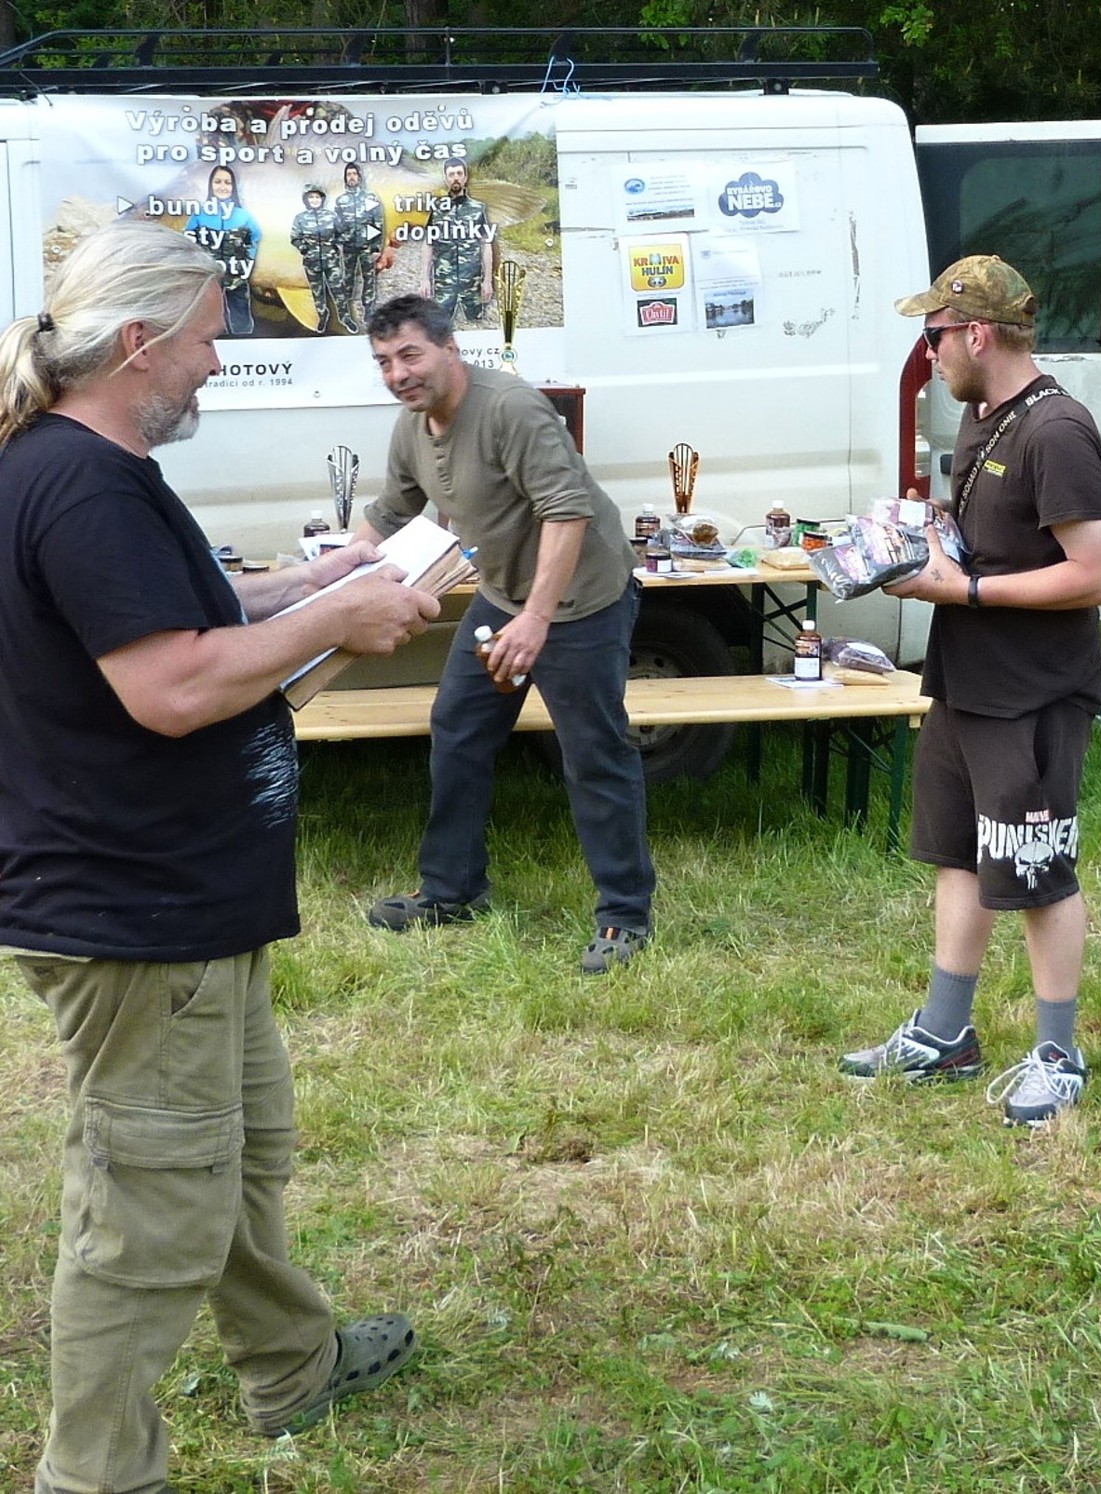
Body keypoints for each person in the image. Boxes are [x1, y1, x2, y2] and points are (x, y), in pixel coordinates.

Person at [0, 220, 440, 1493]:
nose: (216, 362)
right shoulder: (81, 483)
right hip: (135, 911)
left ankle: (293, 1364)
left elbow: (174, 615)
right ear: (138, 344)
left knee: (233, 1154)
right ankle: (94, 1475)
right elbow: (172, 686)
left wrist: (315, 584)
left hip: (183, 895)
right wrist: (341, 617)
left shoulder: (89, 464)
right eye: (205, 340)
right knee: (148, 1212)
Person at [838, 255, 1101, 1126]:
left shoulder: (1055, 430)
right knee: (957, 856)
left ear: (975, 333)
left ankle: (1057, 1054)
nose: (925, 355)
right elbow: (992, 543)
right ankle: (944, 1034)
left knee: (1036, 869)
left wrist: (961, 590)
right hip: (965, 681)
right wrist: (919, 539)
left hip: (1033, 694)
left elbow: (1098, 575)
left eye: (932, 336)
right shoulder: (980, 418)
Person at [359, 294, 656, 974]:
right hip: (502, 598)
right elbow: (391, 511)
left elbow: (566, 510)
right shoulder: (413, 425)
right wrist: (335, 577)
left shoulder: (511, 409)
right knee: (458, 728)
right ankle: (451, 891)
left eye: (410, 355)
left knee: (593, 752)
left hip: (579, 601)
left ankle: (624, 914)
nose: (398, 374)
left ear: (449, 349)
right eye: (384, 362)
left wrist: (537, 620)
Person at [184, 163, 261, 336]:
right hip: (209, 278)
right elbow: (188, 238)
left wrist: (247, 262)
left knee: (240, 315)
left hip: (237, 278)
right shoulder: (200, 213)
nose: (222, 186)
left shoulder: (243, 215)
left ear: (233, 187)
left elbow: (254, 237)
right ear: (211, 185)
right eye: (218, 182)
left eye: (227, 182)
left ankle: (243, 340)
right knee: (208, 315)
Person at [420, 158, 494, 324]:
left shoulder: (478, 209)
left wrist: (487, 281)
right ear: (446, 179)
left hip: (472, 284)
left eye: (459, 173)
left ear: (465, 177)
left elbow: (486, 244)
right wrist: (425, 279)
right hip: (444, 283)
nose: (455, 178)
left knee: (476, 325)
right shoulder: (437, 209)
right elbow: (428, 244)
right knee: (440, 328)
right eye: (451, 174)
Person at [290, 183, 355, 334]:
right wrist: (303, 248)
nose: (314, 200)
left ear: (322, 199)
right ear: (306, 200)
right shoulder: (300, 218)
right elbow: (294, 238)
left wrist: (339, 243)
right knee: (317, 292)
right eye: (311, 197)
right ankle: (322, 315)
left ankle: (345, 318)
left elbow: (343, 234)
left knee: (338, 290)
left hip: (331, 261)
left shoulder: (332, 216)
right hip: (311, 262)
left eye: (317, 197)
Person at [334, 162, 386, 330]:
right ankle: (346, 312)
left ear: (359, 177)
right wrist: (338, 243)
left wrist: (376, 248)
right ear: (345, 178)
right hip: (348, 247)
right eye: (348, 175)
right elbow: (337, 225)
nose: (351, 177)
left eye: (354, 174)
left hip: (366, 247)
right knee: (347, 279)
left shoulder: (370, 198)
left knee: (369, 279)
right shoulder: (341, 201)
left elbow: (378, 223)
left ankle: (368, 311)